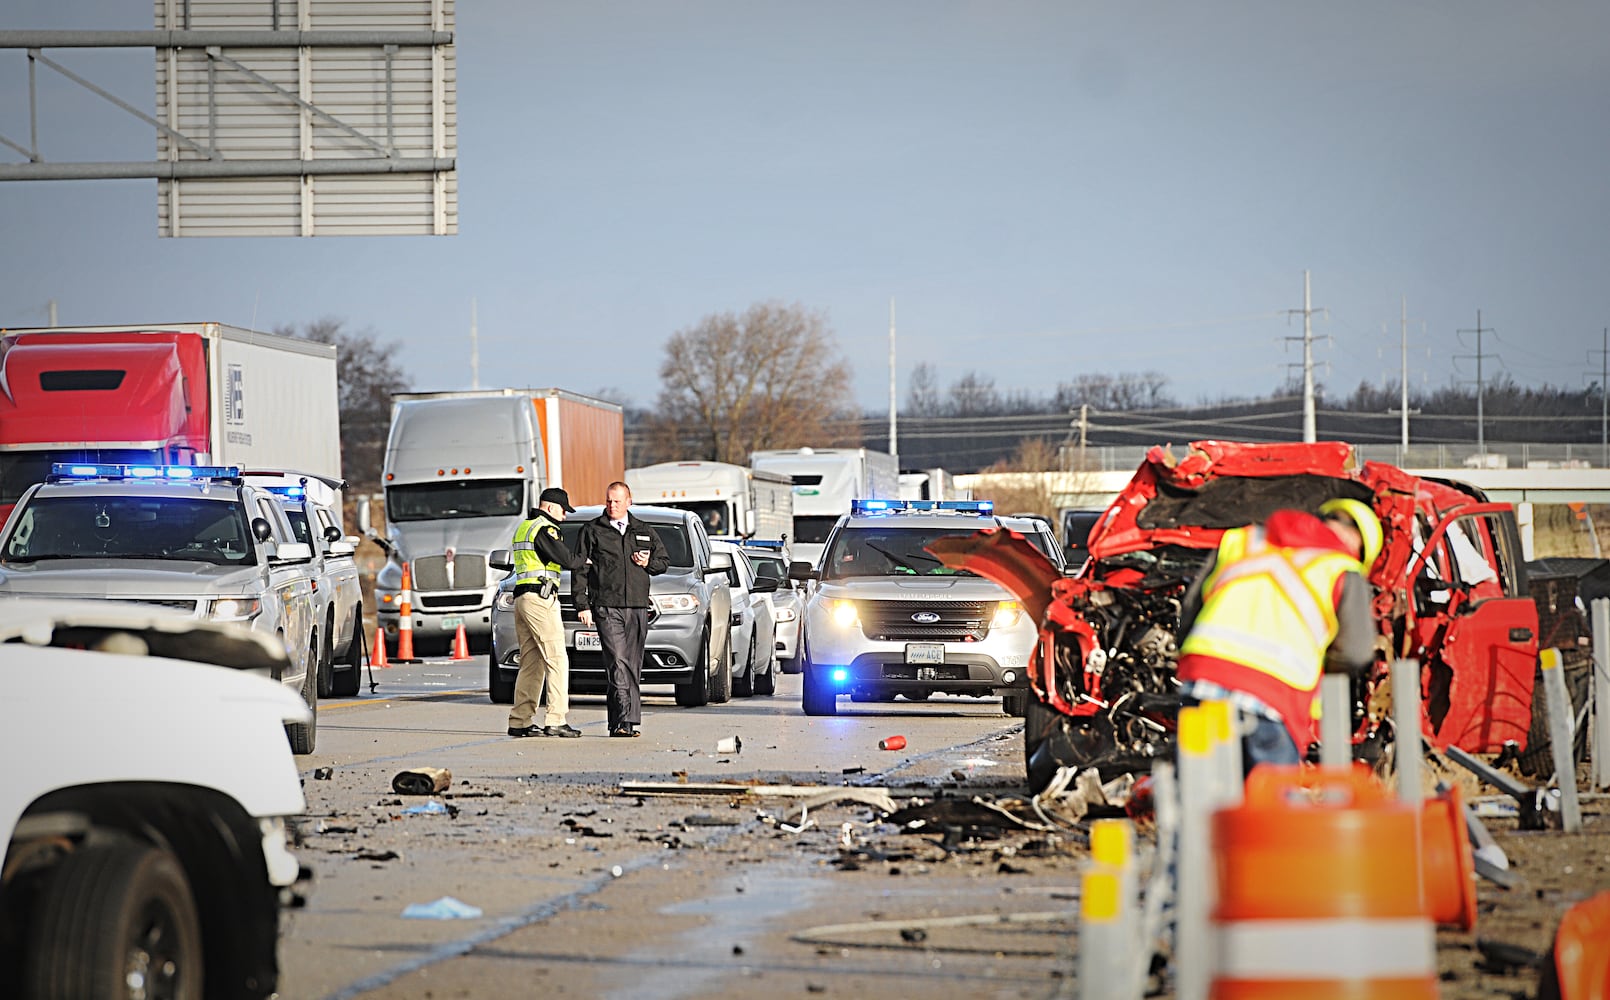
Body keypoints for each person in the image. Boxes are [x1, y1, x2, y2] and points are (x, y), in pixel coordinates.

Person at [1175, 497, 1382, 775]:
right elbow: (1355, 652)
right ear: (1359, 545)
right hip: (1272, 702)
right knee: (1269, 807)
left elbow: (1190, 609)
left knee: (1198, 795)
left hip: (1203, 687)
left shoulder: (1243, 541)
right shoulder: (1342, 568)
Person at [573, 482, 670, 738]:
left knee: (632, 664)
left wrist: (649, 562)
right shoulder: (593, 530)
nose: (612, 506)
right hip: (606, 605)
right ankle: (624, 721)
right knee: (617, 662)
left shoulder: (644, 530)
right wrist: (582, 605)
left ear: (629, 501)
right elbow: (580, 569)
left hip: (637, 605)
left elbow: (663, 562)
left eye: (617, 501)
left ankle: (622, 721)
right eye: (608, 501)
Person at [507, 487, 587, 739]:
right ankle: (556, 719)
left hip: (523, 598)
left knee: (531, 662)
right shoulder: (545, 529)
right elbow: (568, 559)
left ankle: (520, 721)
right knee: (557, 658)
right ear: (551, 507)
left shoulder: (524, 527)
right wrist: (587, 560)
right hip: (540, 600)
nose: (564, 516)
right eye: (563, 510)